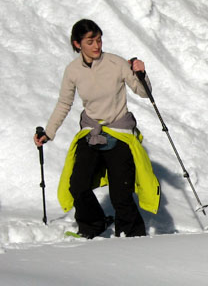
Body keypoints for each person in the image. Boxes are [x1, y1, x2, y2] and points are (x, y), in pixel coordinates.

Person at [34, 19, 160, 239]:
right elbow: (64, 103)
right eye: (90, 41)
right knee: (78, 185)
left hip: (119, 133)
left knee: (121, 193)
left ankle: (132, 235)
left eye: (99, 40)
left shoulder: (116, 63)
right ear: (77, 44)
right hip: (91, 133)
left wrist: (142, 73)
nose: (96, 46)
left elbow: (143, 92)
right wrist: (49, 132)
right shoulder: (73, 70)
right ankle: (93, 225)